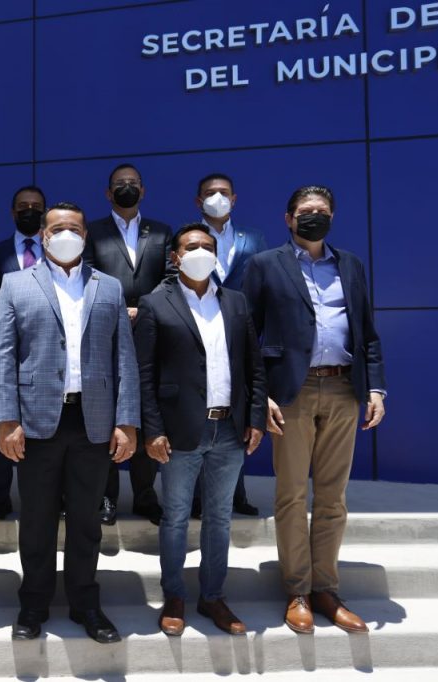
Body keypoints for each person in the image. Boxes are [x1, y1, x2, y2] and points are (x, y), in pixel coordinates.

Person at [0, 202, 139, 644]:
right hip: (35, 423)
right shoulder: (15, 284)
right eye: (57, 228)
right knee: (36, 519)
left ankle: (85, 603)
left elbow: (124, 359)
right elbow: (1, 356)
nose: (66, 234)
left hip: (93, 421)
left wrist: (127, 421)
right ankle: (33, 604)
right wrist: (6, 419)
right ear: (43, 235)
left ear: (85, 235)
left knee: (86, 521)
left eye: (74, 227)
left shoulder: (108, 287)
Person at [242, 185, 387, 635]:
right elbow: (247, 334)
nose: (313, 216)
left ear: (332, 217)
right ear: (288, 219)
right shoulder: (265, 264)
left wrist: (376, 388)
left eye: (321, 211)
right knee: (290, 494)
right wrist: (260, 394)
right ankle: (298, 591)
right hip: (293, 391)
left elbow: (366, 331)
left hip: (344, 388)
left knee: (332, 497)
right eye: (305, 211)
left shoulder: (350, 265)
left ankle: (326, 589)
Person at [135, 224, 267, 636]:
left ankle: (212, 596)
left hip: (229, 427)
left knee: (219, 518)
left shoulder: (236, 302)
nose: (201, 252)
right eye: (192, 246)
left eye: (208, 246)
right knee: (175, 517)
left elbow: (254, 367)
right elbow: (143, 374)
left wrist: (256, 418)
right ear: (175, 257)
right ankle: (174, 595)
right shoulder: (155, 303)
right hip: (179, 431)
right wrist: (152, 430)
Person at [83, 163, 172, 526]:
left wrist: (145, 307)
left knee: (146, 411)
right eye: (120, 184)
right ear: (108, 193)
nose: (127, 188)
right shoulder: (93, 231)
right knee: (108, 413)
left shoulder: (161, 232)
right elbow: (88, 274)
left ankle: (145, 495)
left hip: (150, 332)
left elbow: (171, 276)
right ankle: (107, 497)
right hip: (107, 330)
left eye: (133, 183)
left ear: (143, 190)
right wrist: (120, 307)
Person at [191, 173, 270, 518]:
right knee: (199, 413)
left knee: (236, 414)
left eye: (223, 192)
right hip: (199, 328)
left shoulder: (253, 238)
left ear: (234, 199)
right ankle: (197, 497)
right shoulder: (188, 236)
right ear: (199, 201)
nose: (217, 198)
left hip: (240, 331)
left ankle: (236, 493)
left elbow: (264, 286)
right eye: (210, 193)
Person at [0, 184, 46, 520]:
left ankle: (50, 497)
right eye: (23, 206)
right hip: (6, 348)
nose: (29, 211)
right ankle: (0, 497)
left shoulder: (57, 253)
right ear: (12, 211)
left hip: (44, 349)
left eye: (36, 206)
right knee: (4, 423)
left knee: (46, 429)